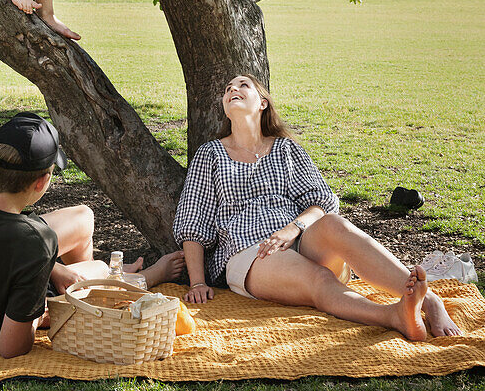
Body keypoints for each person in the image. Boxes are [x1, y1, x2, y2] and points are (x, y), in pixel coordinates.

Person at [173, 74, 461, 341]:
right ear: (225, 107)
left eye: (242, 85)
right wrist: (197, 283)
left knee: (335, 223)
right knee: (319, 278)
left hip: (297, 236)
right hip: (248, 250)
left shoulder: (286, 149)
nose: (232, 90)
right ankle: (394, 316)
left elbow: (322, 200)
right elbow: (193, 221)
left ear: (262, 103)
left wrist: (293, 228)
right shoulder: (210, 154)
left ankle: (431, 301)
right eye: (228, 90)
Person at [0, 111, 184, 359]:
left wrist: (52, 268)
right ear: (41, 182)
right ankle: (135, 279)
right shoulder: (34, 244)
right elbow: (9, 348)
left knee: (83, 217)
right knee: (97, 268)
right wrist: (39, 310)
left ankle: (83, 283)